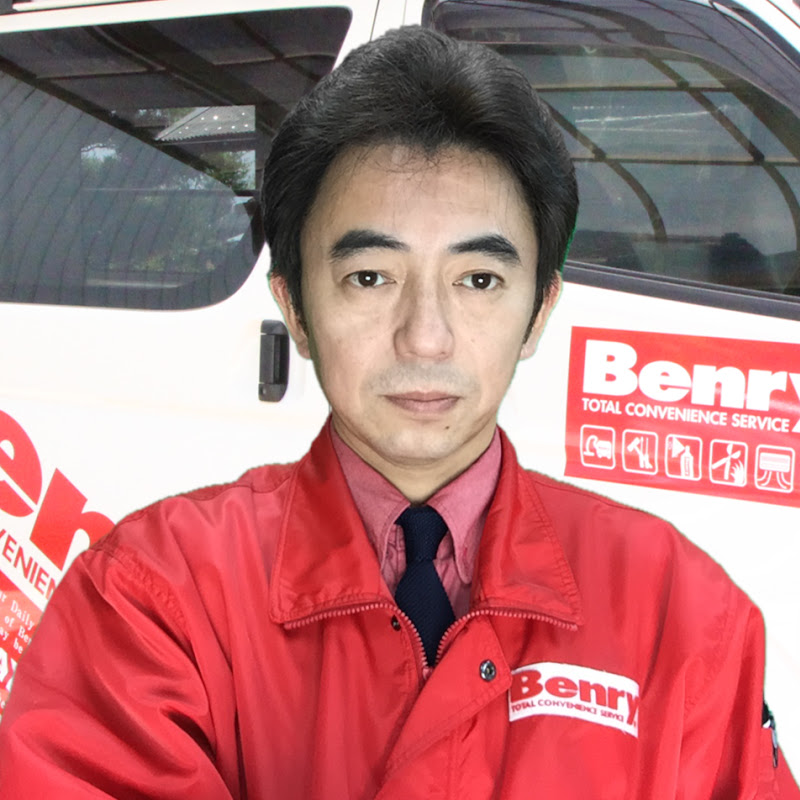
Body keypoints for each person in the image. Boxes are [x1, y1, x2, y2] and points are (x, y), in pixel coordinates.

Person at [0, 25, 796, 799]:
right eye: (371, 277)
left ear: (538, 312)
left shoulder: (682, 614)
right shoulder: (152, 599)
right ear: (297, 309)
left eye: (478, 280)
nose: (425, 337)